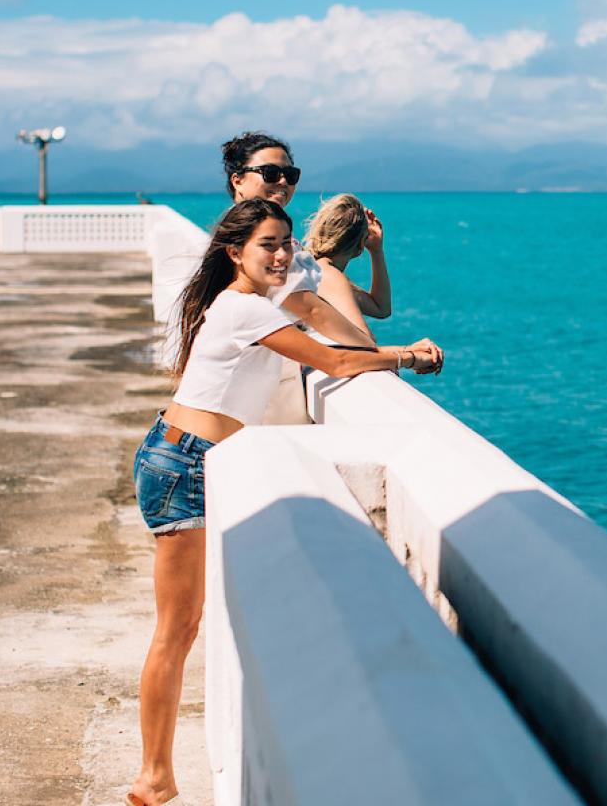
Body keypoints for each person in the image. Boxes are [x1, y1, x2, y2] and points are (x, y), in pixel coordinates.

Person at [125, 199, 440, 806]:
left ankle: (157, 775)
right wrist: (408, 354)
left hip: (189, 457)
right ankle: (153, 776)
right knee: (177, 629)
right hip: (184, 464)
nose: (281, 253)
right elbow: (333, 359)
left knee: (189, 624)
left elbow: (339, 328)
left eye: (287, 243)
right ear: (234, 253)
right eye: (267, 244)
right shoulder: (244, 308)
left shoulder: (255, 305)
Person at [220, 131, 439, 420]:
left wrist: (376, 251)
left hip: (241, 402)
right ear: (238, 180)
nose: (283, 181)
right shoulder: (260, 254)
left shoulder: (247, 243)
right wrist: (406, 355)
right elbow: (351, 343)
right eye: (270, 173)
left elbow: (372, 314)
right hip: (242, 407)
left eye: (291, 174)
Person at [303, 193, 391, 343]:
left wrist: (377, 252)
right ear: (360, 246)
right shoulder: (328, 274)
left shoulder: (314, 267)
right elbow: (367, 342)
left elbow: (381, 308)